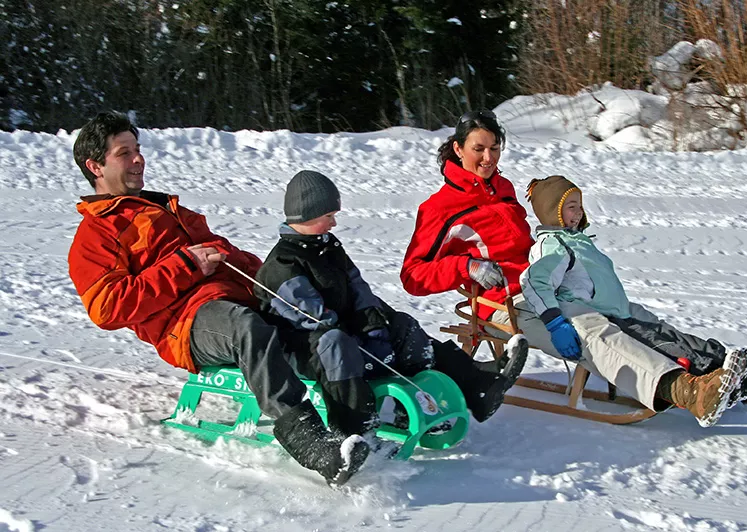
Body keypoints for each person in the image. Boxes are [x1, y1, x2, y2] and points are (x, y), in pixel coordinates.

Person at [67, 112, 368, 486]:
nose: (138, 159)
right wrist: (184, 264)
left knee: (312, 315)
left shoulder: (166, 208)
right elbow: (108, 307)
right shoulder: (96, 234)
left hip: (233, 296)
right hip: (185, 323)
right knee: (248, 329)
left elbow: (224, 252)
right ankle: (305, 438)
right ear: (95, 166)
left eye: (138, 150)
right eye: (124, 153)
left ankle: (358, 415)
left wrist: (275, 279)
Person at [500, 174, 747, 426]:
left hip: (618, 309)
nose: (578, 213)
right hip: (599, 316)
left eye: (580, 206)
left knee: (667, 333)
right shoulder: (552, 244)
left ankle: (735, 375)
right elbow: (533, 281)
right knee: (656, 344)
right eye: (571, 208)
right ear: (553, 212)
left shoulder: (578, 240)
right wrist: (555, 323)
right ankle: (698, 390)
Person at [254, 170, 529, 440]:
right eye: (329, 217)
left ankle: (461, 393)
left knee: (402, 326)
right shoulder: (282, 265)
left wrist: (373, 323)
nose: (334, 224)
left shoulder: (326, 245)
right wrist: (363, 338)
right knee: (340, 343)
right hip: (311, 350)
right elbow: (314, 319)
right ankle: (355, 431)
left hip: (343, 335)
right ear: (307, 214)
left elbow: (357, 285)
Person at [400, 110, 533, 326]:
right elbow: (412, 275)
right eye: (478, 149)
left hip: (539, 287)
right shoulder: (439, 208)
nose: (489, 158)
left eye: (495, 148)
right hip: (504, 302)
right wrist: (467, 266)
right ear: (458, 149)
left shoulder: (503, 188)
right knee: (589, 337)